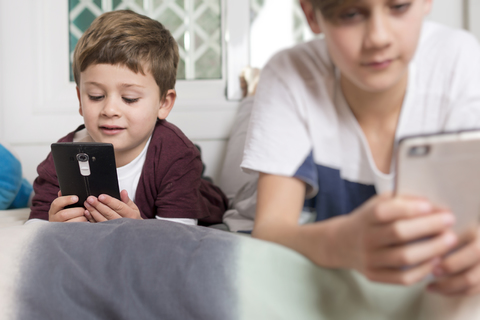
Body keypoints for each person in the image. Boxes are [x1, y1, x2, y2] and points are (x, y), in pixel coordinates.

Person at [240, 0, 480, 296]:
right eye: (351, 14)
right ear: (311, 15)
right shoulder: (291, 73)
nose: (379, 37)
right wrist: (338, 243)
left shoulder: (460, 59)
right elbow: (269, 230)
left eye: (399, 6)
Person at [29, 10, 228, 226]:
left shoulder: (177, 156)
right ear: (80, 98)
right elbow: (34, 227)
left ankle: (203, 178)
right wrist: (51, 227)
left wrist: (138, 228)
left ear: (164, 103)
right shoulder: (62, 159)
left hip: (197, 191)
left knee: (205, 192)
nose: (110, 110)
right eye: (96, 96)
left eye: (130, 98)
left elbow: (178, 239)